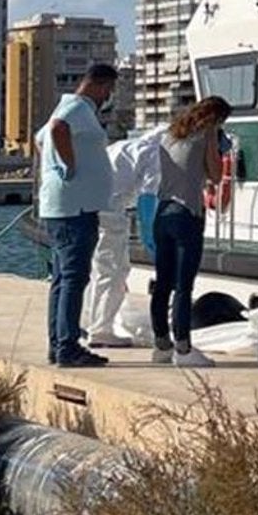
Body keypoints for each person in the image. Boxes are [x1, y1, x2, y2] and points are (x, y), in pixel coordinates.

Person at [36, 62, 119, 368]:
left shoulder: (67, 106)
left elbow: (39, 139)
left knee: (62, 278)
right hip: (75, 208)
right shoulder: (78, 108)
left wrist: (53, 168)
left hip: (63, 205)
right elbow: (57, 129)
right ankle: (68, 348)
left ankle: (58, 344)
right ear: (100, 85)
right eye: (109, 89)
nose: (108, 97)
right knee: (74, 277)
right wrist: (68, 166)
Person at [151, 96, 230, 367]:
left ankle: (161, 344)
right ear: (217, 119)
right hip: (187, 213)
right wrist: (216, 142)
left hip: (162, 212)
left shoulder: (170, 134)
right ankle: (183, 349)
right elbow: (216, 175)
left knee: (163, 283)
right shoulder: (207, 134)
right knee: (183, 286)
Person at [83, 130, 160, 349]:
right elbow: (147, 199)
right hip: (110, 211)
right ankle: (101, 330)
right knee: (114, 270)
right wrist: (149, 239)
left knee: (97, 269)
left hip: (88, 206)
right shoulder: (155, 154)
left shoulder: (122, 147)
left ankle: (88, 323)